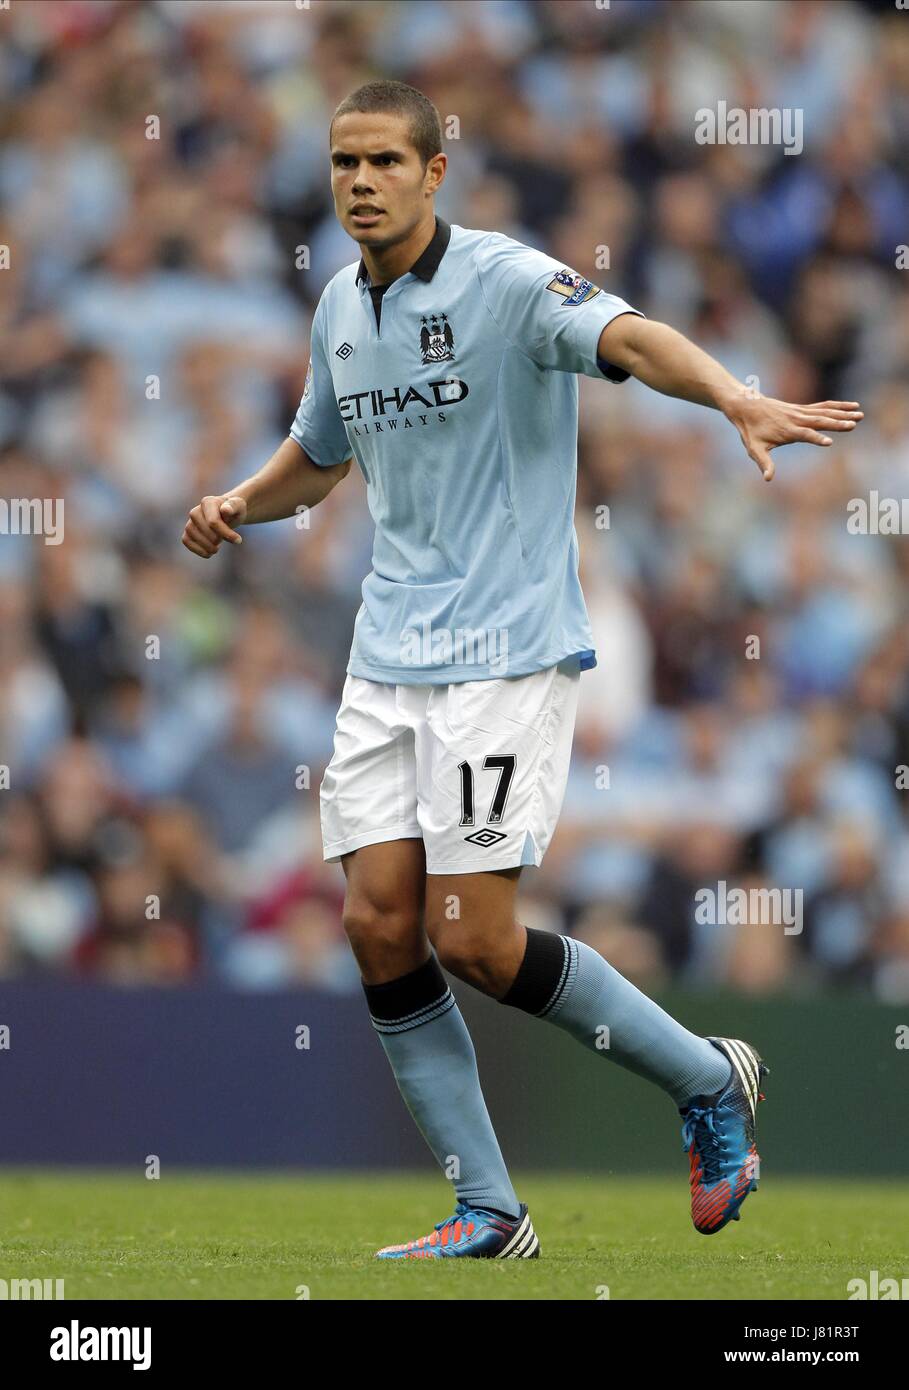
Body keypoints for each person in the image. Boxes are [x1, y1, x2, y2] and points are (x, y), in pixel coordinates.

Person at [182, 80, 863, 1260]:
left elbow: (633, 338)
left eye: (386, 161)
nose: (360, 181)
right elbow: (319, 453)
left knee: (476, 938)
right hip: (388, 653)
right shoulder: (340, 305)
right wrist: (243, 500)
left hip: (505, 652)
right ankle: (491, 1211)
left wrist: (736, 397)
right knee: (378, 924)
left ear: (435, 173)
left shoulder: (504, 280)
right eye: (345, 161)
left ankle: (707, 1079)